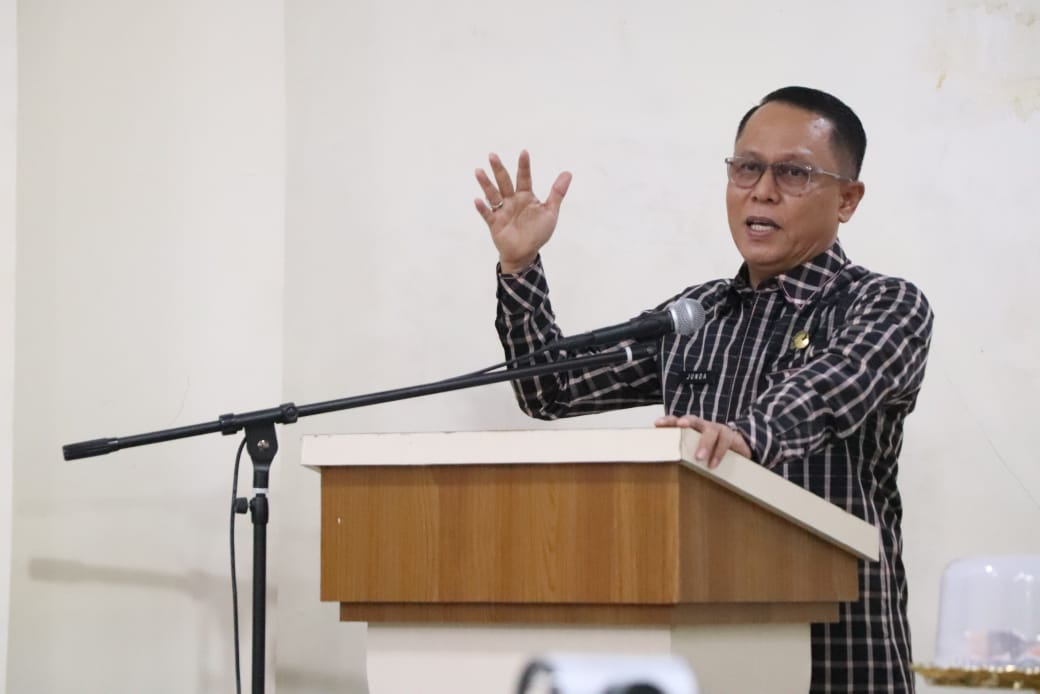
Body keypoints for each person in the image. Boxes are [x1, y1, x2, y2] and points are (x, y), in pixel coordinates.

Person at [473, 86, 934, 693]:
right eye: (747, 168)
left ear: (847, 199)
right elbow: (550, 388)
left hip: (843, 653)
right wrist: (520, 268)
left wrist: (744, 436)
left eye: (793, 173)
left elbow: (831, 387)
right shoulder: (697, 316)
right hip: (710, 651)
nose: (762, 191)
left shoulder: (884, 304)